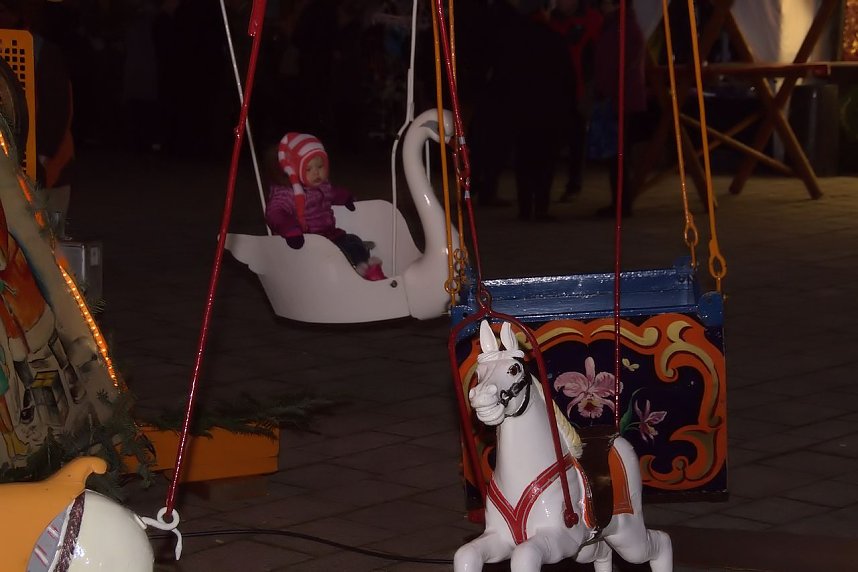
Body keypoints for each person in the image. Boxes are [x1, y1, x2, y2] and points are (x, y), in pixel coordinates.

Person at [265, 133, 386, 281]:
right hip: (308, 240)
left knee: (353, 240)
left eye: (320, 166)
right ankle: (358, 273)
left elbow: (332, 193)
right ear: (293, 170)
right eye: (308, 169)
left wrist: (346, 197)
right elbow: (275, 213)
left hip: (329, 233)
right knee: (345, 251)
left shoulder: (321, 186)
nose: (316, 173)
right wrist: (291, 230)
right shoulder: (287, 193)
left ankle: (365, 269)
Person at [592, 0, 647, 217]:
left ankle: (621, 204)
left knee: (618, 156)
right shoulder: (622, 25)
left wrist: (605, 90)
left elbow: (612, 63)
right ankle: (620, 202)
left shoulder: (620, 26)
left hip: (618, 98)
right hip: (622, 97)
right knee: (619, 156)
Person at [548, 0, 603, 201]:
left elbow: (595, 55)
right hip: (556, 89)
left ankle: (574, 184)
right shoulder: (552, 20)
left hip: (580, 89)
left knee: (576, 138)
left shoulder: (591, 20)